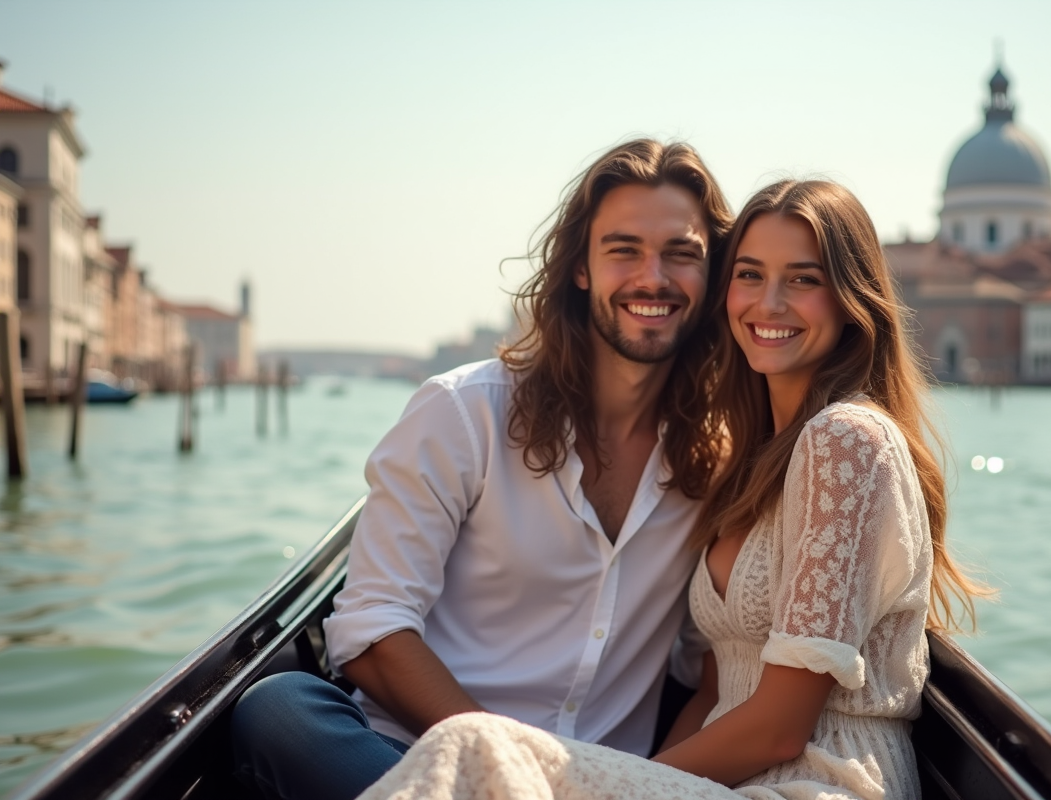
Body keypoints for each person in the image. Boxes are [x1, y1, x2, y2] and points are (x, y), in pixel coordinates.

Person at [358, 179, 989, 800]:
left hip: (817, 784)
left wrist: (594, 780)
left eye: (804, 278)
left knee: (474, 745)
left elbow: (779, 728)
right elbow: (713, 693)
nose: (769, 303)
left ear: (852, 299)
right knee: (301, 711)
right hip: (725, 782)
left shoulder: (845, 439)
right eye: (748, 274)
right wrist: (621, 778)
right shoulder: (745, 463)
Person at [229, 138, 734, 800]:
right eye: (624, 250)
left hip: (598, 785)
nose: (653, 277)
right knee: (281, 709)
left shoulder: (717, 460)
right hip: (413, 757)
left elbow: (709, 666)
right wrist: (503, 772)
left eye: (681, 253)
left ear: (711, 276)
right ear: (580, 268)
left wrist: (656, 785)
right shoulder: (462, 412)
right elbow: (373, 630)